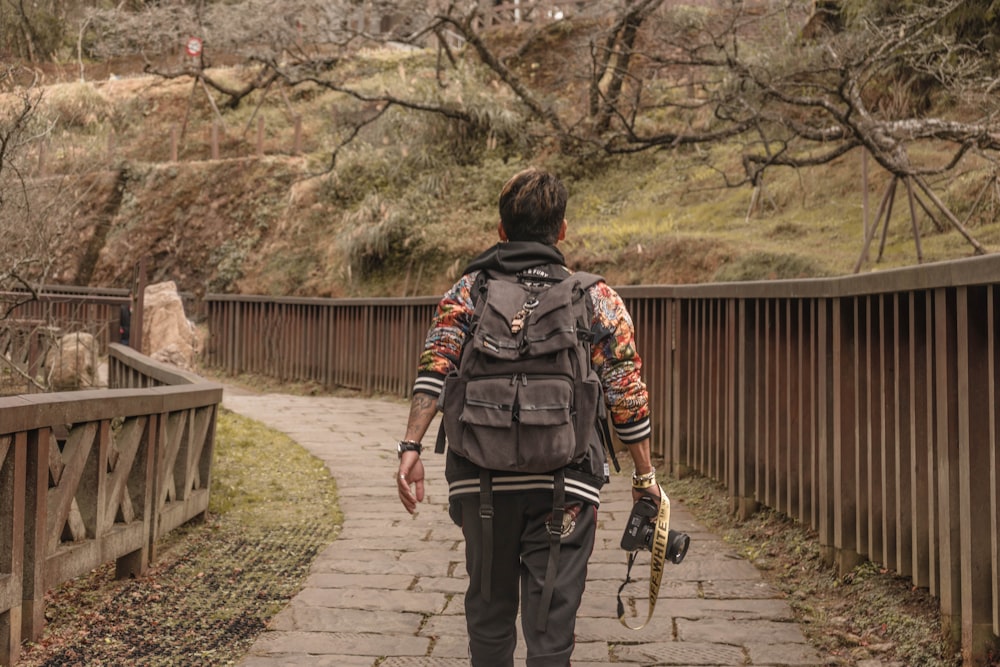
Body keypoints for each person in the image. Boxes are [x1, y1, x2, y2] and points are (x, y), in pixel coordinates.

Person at [395, 167, 659, 667]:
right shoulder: (594, 297)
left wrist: (411, 447)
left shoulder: (469, 290)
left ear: (501, 230)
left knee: (489, 619)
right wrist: (646, 479)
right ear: (562, 230)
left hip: (480, 477)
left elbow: (437, 365)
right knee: (551, 629)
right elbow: (625, 390)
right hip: (568, 481)